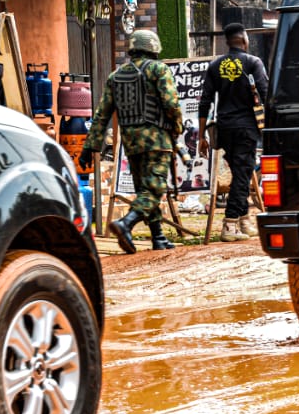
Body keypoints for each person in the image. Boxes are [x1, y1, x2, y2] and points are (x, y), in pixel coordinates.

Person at [81, 29, 183, 253]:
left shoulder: (116, 76)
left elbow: (102, 114)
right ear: (154, 48)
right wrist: (177, 128)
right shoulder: (159, 69)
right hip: (157, 140)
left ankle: (158, 237)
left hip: (130, 142)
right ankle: (126, 223)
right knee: (154, 188)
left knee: (144, 188)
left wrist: (91, 146)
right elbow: (171, 104)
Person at [198, 22, 268, 242]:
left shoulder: (215, 65)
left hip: (224, 128)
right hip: (246, 128)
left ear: (227, 41)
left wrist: (201, 136)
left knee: (240, 171)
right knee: (243, 174)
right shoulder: (253, 62)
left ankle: (245, 221)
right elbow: (266, 94)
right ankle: (229, 224)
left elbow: (205, 101)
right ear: (245, 40)